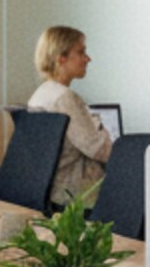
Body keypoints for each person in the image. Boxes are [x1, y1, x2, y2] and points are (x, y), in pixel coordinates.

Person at [26, 25, 114, 210]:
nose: (88, 59)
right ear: (61, 58)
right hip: (75, 199)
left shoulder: (41, 94)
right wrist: (97, 124)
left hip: (50, 192)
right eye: (81, 52)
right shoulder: (65, 98)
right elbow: (101, 150)